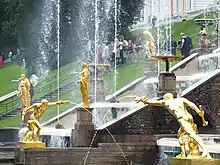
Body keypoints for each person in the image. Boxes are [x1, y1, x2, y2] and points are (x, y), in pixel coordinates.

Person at [135, 93, 211, 158]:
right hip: (189, 117)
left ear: (166, 98)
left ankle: (205, 150)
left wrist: (142, 99)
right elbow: (192, 104)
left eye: (164, 98)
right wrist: (198, 112)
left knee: (192, 135)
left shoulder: (166, 102)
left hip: (181, 119)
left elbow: (152, 102)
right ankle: (183, 153)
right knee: (180, 134)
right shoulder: (181, 99)